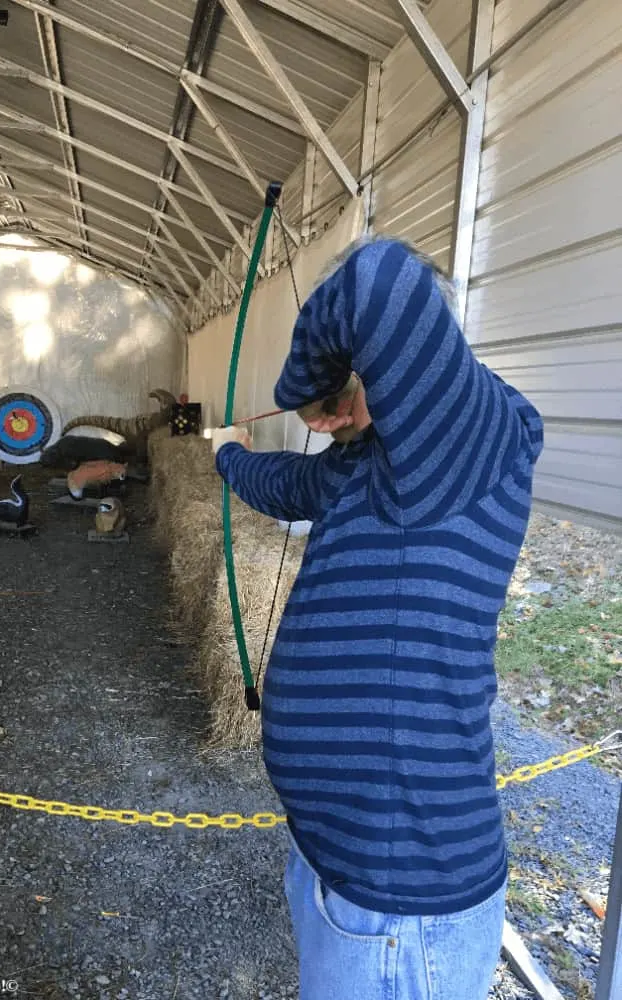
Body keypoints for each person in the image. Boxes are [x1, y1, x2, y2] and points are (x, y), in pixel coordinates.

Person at [210, 234, 544, 1000]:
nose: (325, 426)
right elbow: (292, 484)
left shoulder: (471, 443)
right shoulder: (370, 466)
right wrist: (227, 458)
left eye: (340, 404)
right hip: (341, 864)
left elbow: (379, 275)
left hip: (402, 893)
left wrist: (314, 389)